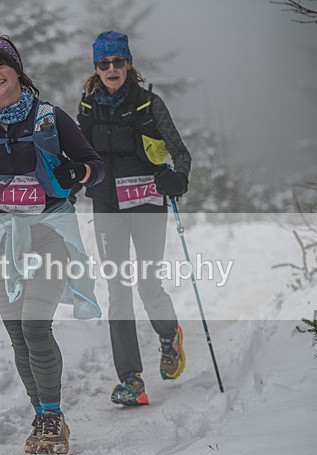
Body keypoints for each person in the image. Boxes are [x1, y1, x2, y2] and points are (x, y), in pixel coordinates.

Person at [0, 35, 105, 454]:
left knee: (35, 326)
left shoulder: (51, 117)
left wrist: (76, 174)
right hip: (3, 242)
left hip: (49, 235)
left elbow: (96, 168)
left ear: (16, 68)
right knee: (17, 335)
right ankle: (42, 416)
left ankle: (53, 415)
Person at [76, 31, 191, 406]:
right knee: (118, 291)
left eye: (118, 62)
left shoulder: (149, 104)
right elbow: (79, 156)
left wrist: (178, 177)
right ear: (97, 68)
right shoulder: (89, 108)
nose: (112, 69)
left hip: (146, 203)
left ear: (129, 65)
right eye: (104, 63)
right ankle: (131, 380)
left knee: (146, 284)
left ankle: (169, 336)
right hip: (107, 205)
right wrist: (68, 176)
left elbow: (181, 153)